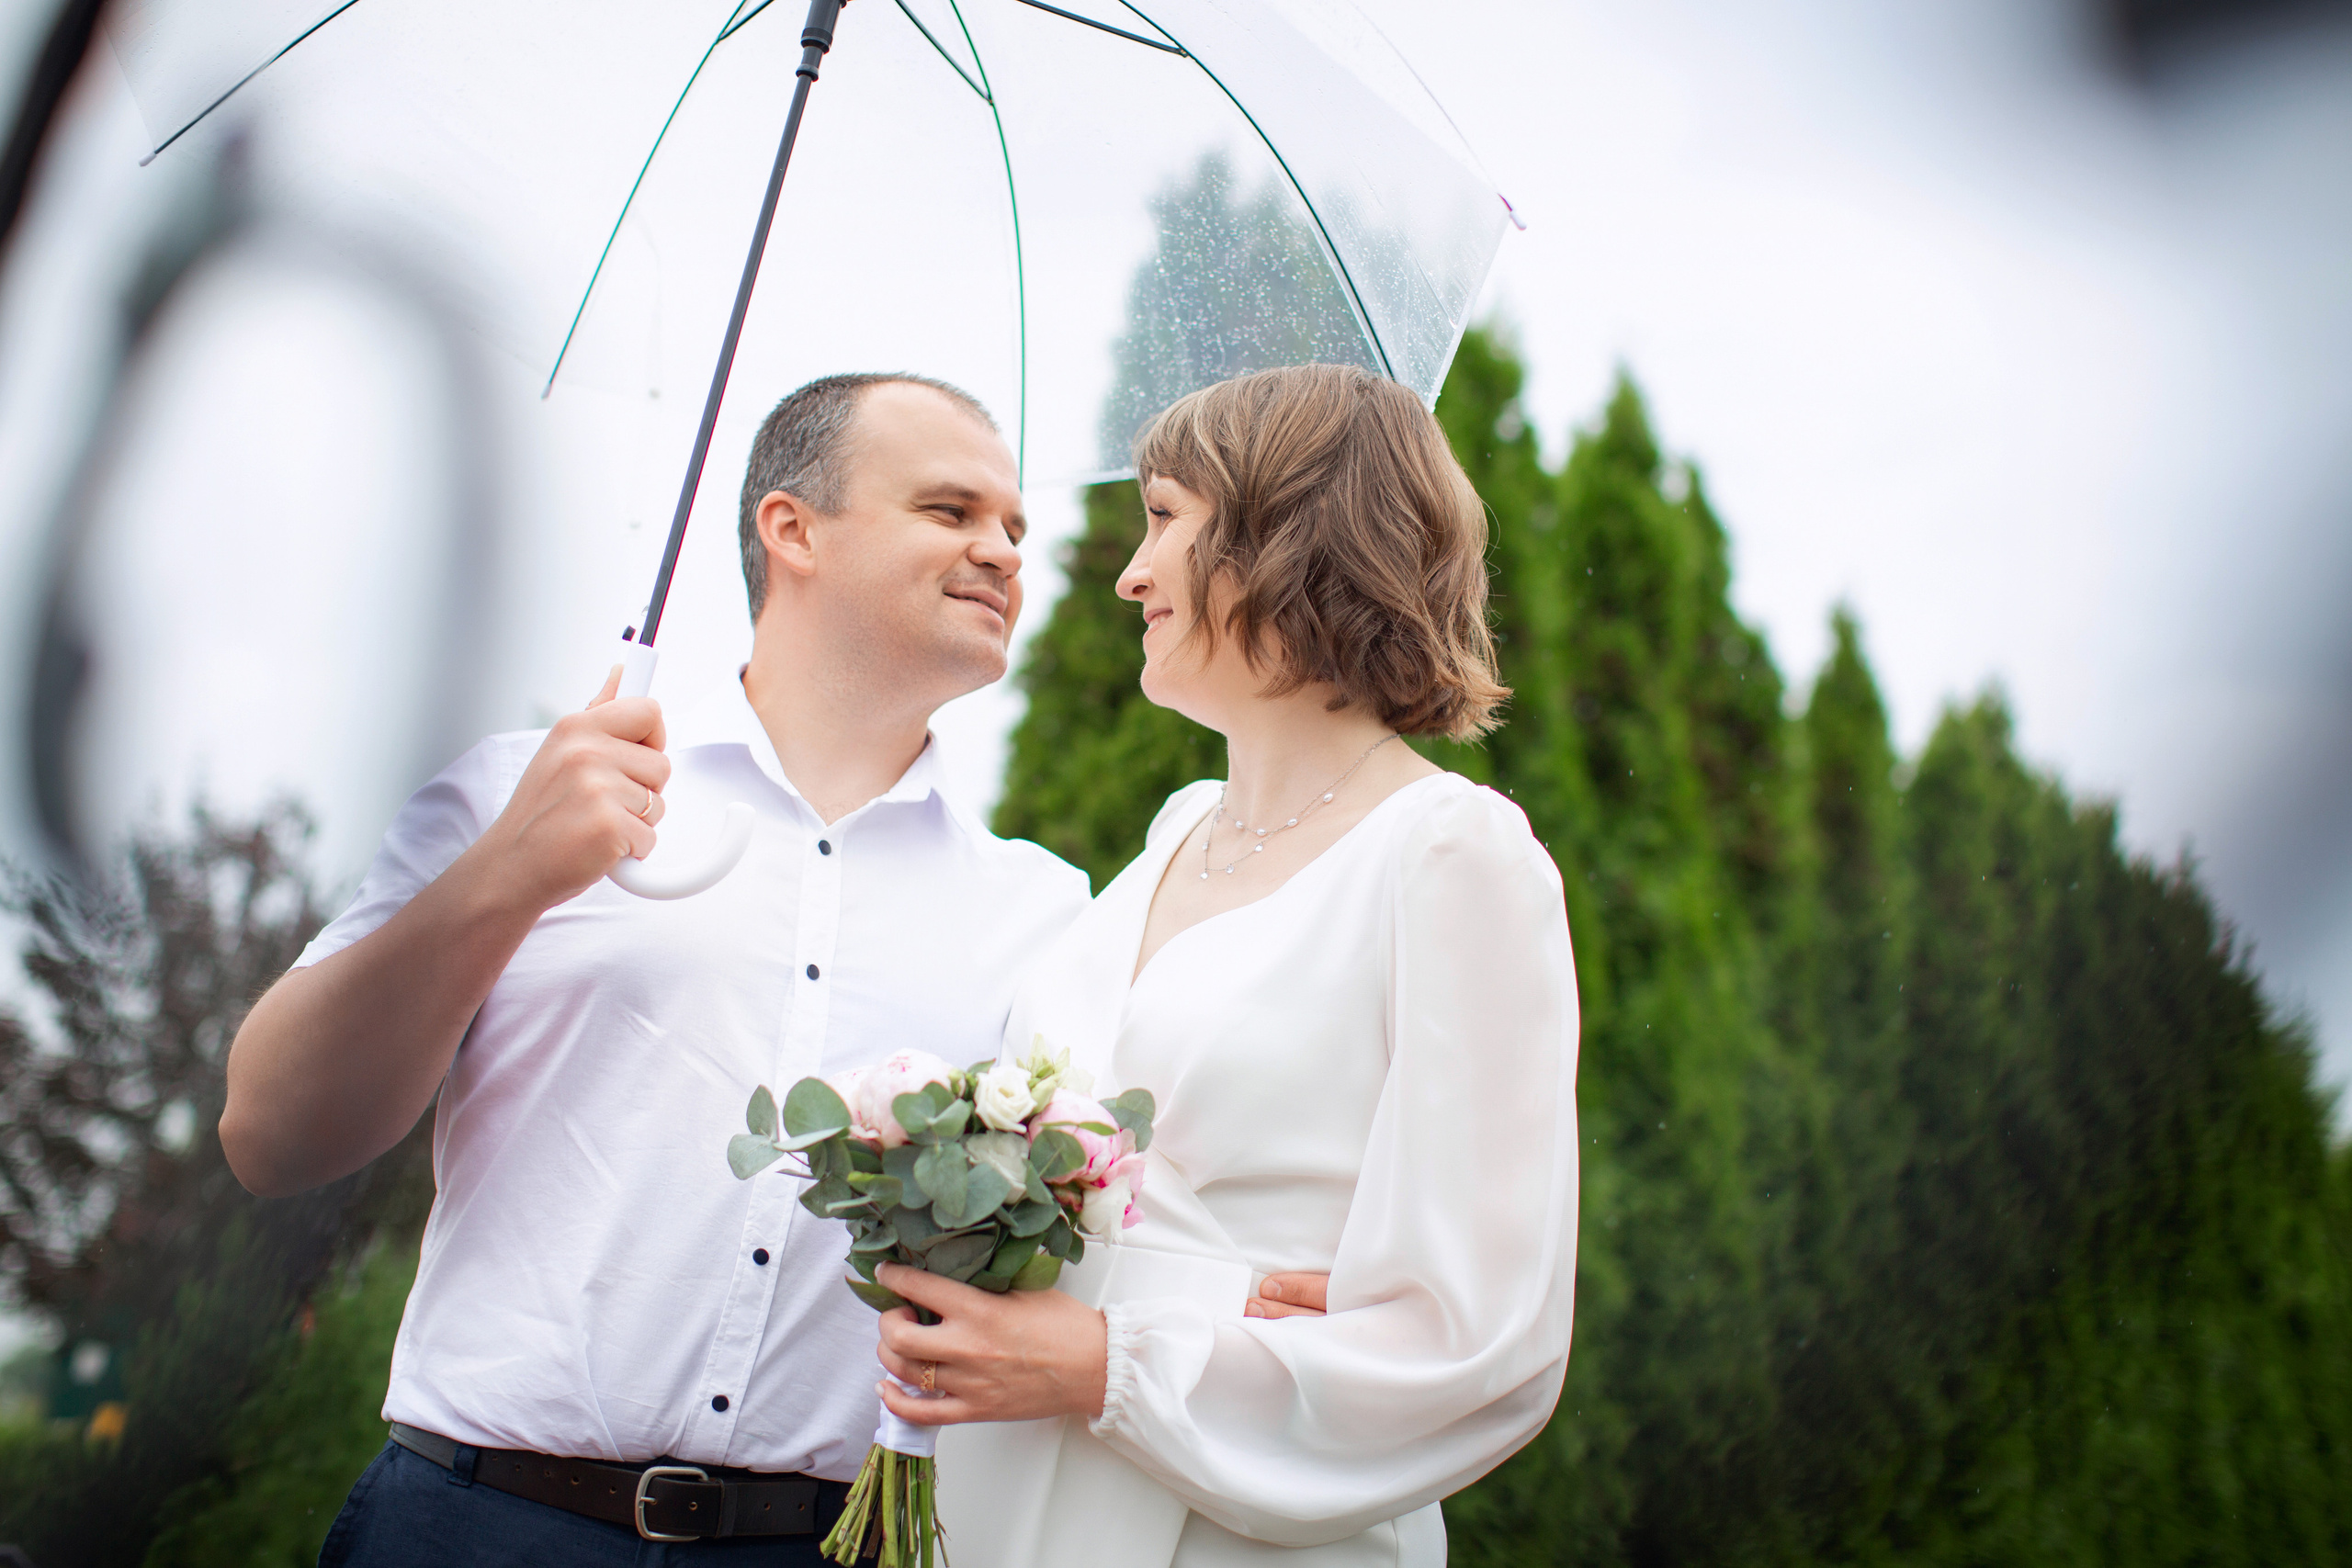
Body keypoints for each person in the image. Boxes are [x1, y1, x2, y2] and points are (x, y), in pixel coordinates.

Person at [219, 373, 1097, 1564]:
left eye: (1013, 528)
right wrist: (510, 872)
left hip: (829, 1543)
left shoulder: (1042, 912)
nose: (1000, 549)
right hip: (476, 1528)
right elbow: (270, 1131)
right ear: (792, 530)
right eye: (951, 511)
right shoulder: (523, 788)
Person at [868, 364, 1582, 1566]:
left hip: (1229, 1534)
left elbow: (1479, 1343)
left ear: (1287, 533)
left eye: (1164, 517)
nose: (1127, 574)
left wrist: (1109, 1361)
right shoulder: (1171, 837)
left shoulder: (1450, 853)